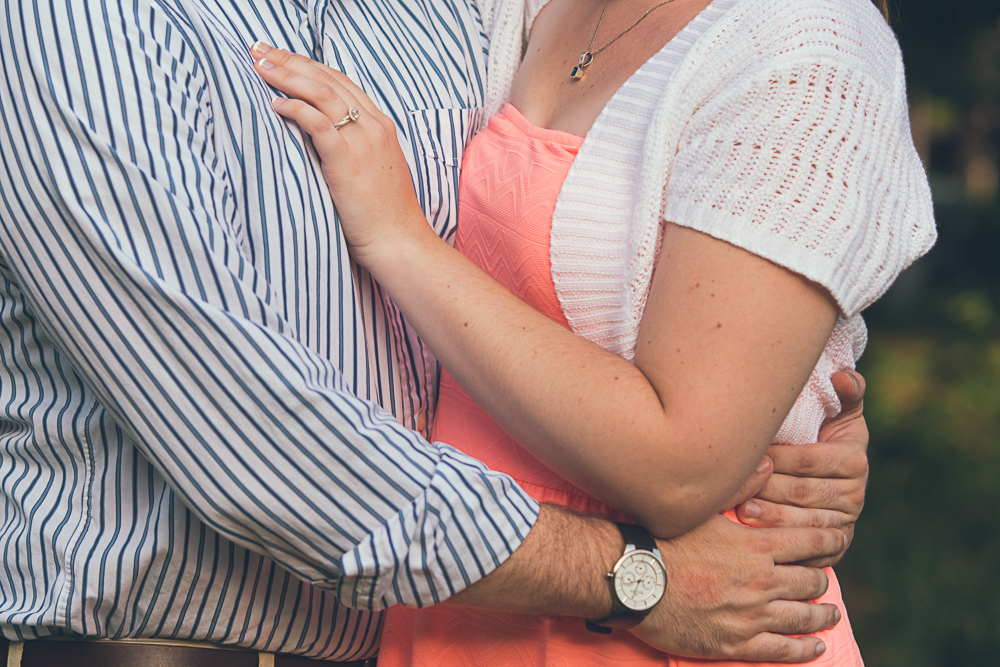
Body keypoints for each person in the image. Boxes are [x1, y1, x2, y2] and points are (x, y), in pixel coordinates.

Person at [0, 0, 867, 665]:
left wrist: (798, 405)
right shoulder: (77, 28)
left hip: (425, 642)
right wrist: (631, 574)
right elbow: (253, 447)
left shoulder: (449, 15)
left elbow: (576, 235)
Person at [251, 0, 935, 663]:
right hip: (471, 588)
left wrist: (401, 240)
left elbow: (679, 466)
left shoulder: (811, 47)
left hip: (679, 615)